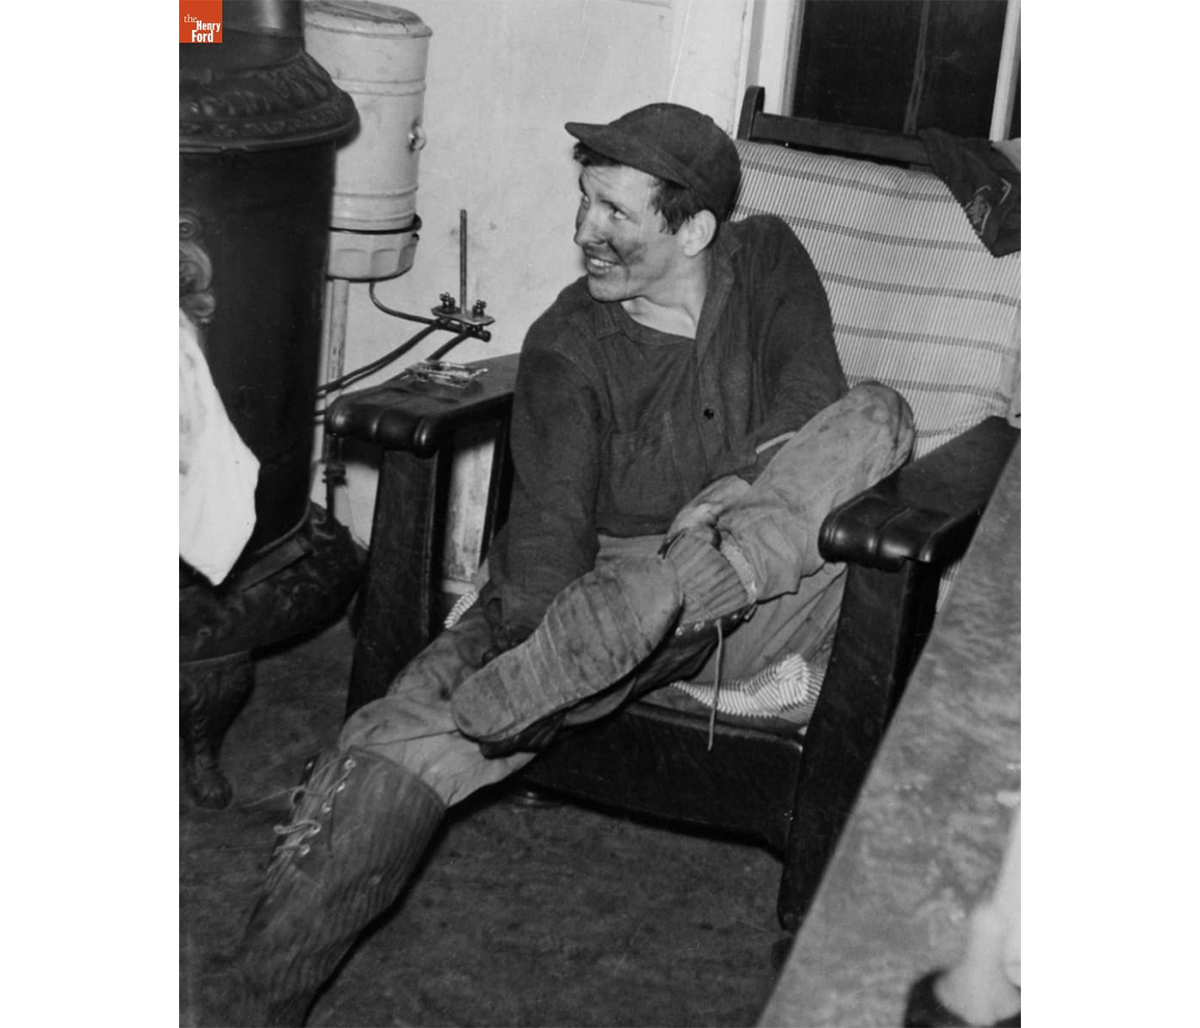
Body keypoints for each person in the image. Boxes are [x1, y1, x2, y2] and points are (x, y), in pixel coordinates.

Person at [214, 102, 916, 1027]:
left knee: (877, 412)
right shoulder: (567, 343)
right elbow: (545, 539)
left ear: (697, 228)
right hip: (601, 585)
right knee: (392, 744)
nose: (585, 231)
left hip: (771, 576)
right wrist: (522, 638)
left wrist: (719, 521)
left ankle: (665, 608)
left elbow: (808, 402)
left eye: (616, 213)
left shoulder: (769, 261)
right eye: (585, 202)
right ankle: (250, 1003)